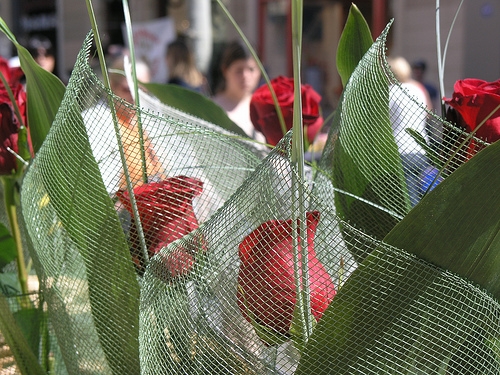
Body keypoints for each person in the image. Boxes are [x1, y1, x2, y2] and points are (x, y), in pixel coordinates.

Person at [388, 56, 431, 207]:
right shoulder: (418, 89)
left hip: (402, 151)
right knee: (420, 193)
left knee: (409, 201)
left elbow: (384, 120)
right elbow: (428, 113)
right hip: (421, 149)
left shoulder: (391, 92)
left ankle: (414, 229)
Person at [212, 41, 264, 141]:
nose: (245, 77)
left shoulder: (263, 109)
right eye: (239, 70)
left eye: (251, 69)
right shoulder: (212, 107)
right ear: (225, 70)